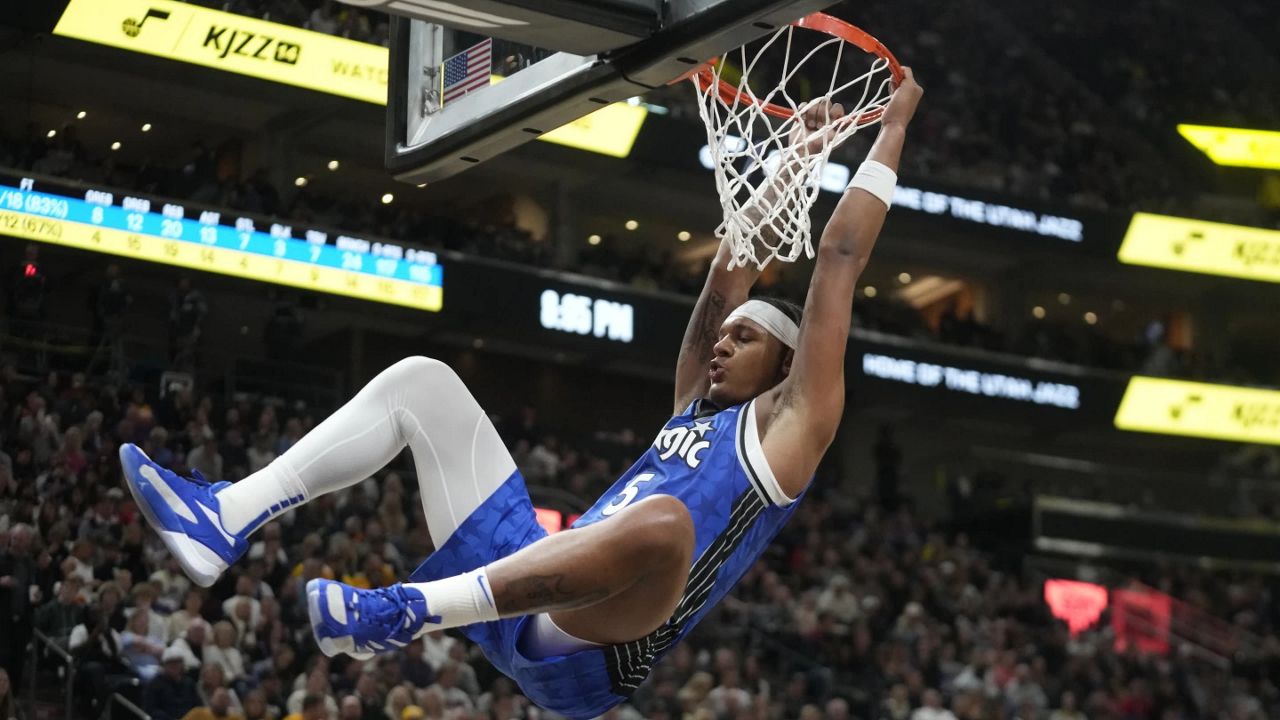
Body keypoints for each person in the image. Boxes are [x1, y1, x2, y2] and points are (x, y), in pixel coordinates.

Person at [120, 71, 923, 720]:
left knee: (668, 524)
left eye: (743, 339)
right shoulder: (694, 405)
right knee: (421, 385)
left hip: (595, 650)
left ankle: (399, 612)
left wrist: (888, 129)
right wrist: (798, 157)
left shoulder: (793, 426)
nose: (720, 341)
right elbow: (731, 265)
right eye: (724, 334)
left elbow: (840, 258)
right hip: (524, 582)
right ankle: (224, 519)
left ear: (786, 365)